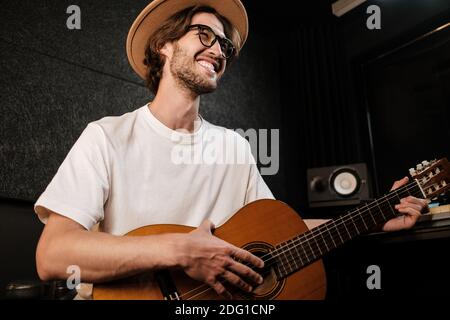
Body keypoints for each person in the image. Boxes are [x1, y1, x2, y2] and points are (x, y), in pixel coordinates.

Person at [34, 0, 428, 299]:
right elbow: (53, 254)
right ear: (164, 45)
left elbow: (281, 234)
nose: (219, 52)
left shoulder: (234, 147)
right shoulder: (106, 136)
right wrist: (180, 251)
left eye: (225, 45)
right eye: (204, 35)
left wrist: (373, 218)